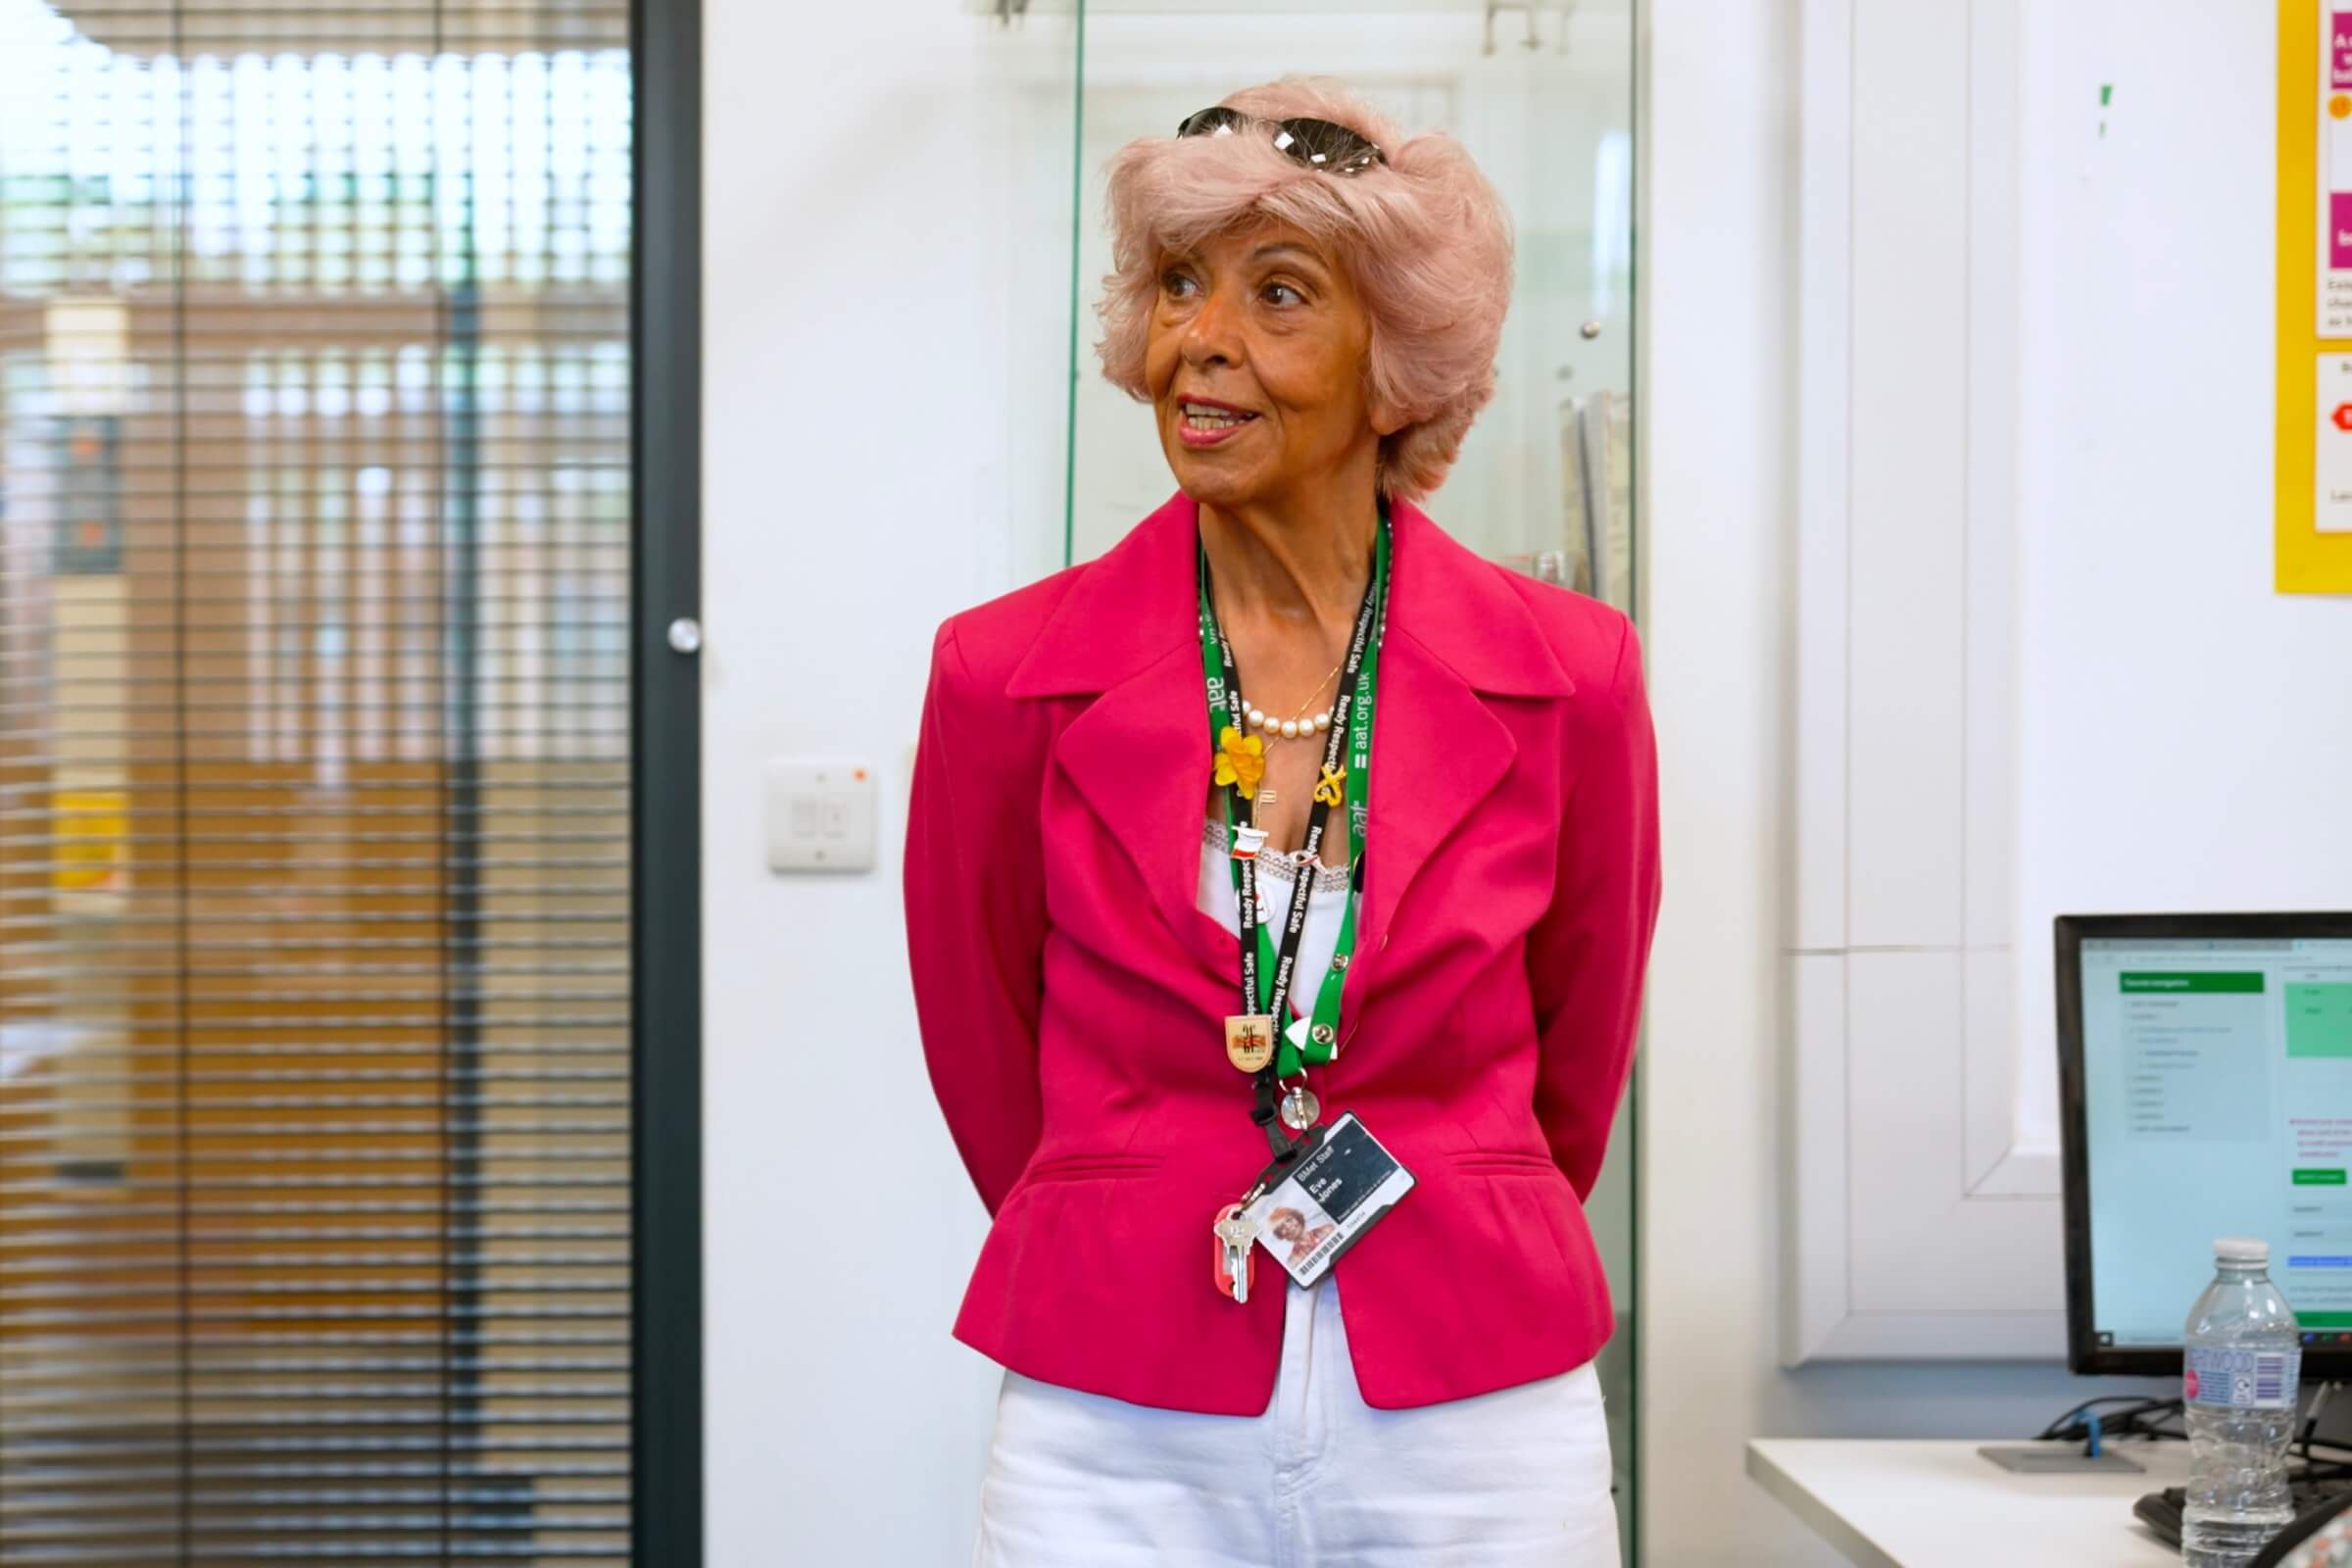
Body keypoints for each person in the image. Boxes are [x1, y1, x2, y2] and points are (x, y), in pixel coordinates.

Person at [904, 74, 1661, 1566]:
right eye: (1181, 284)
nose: (1204, 341)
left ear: (1402, 360)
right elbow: (985, 1056)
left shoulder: (1573, 676)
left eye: (1281, 293)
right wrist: (1126, 1207)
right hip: (1113, 1417)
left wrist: (1458, 1194)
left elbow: (1578, 1057)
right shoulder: (999, 677)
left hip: (1477, 1410)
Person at [1266, 1206, 1336, 1268]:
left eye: (1289, 1220)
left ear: (1297, 1217)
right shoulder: (1293, 1261)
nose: (1288, 1226)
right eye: (1281, 1227)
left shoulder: (1327, 1229)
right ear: (1280, 1235)